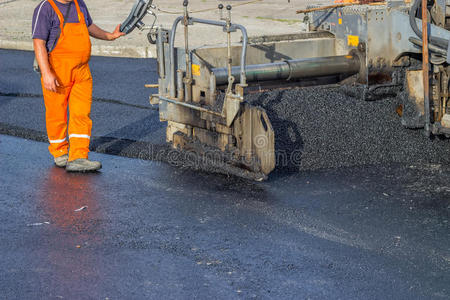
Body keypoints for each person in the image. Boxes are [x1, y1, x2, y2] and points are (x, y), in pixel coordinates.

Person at [32, 0, 125, 172]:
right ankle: (60, 152)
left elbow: (89, 26)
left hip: (82, 71)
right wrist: (46, 73)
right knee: (56, 113)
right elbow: (39, 42)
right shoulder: (45, 8)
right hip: (57, 71)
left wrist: (109, 36)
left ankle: (78, 156)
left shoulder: (78, 3)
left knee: (81, 113)